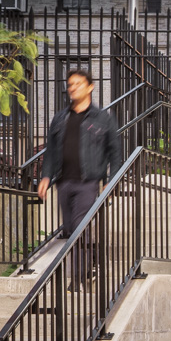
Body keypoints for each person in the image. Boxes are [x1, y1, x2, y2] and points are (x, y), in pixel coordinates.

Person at [38, 69, 119, 289]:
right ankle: (91, 261)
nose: (72, 88)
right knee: (70, 228)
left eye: (78, 84)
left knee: (80, 225)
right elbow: (51, 150)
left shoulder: (103, 118)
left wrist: (111, 182)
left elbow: (115, 152)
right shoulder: (60, 118)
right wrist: (46, 176)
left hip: (89, 181)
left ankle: (78, 279)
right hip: (63, 181)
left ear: (90, 87)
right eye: (70, 84)